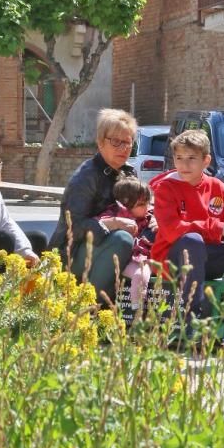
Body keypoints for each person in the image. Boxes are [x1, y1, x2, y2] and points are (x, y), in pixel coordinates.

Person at [150, 129, 224, 320]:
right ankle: (191, 317)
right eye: (179, 158)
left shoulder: (216, 186)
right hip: (173, 259)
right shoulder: (165, 187)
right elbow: (172, 231)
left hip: (207, 257)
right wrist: (218, 227)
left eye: (191, 158)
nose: (184, 164)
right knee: (192, 240)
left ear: (206, 161)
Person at [49, 109, 138, 305]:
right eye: (116, 141)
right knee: (122, 239)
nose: (123, 147)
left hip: (104, 251)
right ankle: (87, 311)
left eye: (128, 141)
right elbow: (75, 227)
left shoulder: (129, 174)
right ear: (100, 142)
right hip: (70, 255)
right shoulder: (86, 177)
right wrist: (112, 223)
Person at [95, 175, 156, 307]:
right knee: (140, 275)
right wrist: (116, 222)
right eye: (141, 204)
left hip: (145, 258)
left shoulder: (150, 216)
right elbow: (98, 223)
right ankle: (136, 308)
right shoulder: (116, 214)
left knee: (142, 274)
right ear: (125, 205)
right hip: (125, 259)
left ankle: (137, 309)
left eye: (148, 202)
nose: (146, 207)